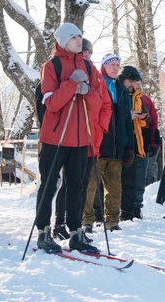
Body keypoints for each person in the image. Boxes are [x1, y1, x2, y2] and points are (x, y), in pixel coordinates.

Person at [36, 22, 111, 253]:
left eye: (80, 36)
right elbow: (51, 103)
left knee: (77, 187)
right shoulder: (52, 66)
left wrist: (87, 91)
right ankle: (43, 231)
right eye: (73, 37)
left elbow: (99, 103)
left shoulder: (89, 67)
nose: (79, 40)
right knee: (49, 185)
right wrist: (71, 84)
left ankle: (76, 232)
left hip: (82, 139)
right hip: (55, 139)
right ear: (62, 41)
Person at [82, 53, 134, 233]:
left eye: (117, 65)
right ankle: (86, 221)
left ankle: (112, 220)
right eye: (111, 64)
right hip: (97, 146)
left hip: (116, 148)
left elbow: (127, 120)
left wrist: (129, 146)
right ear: (104, 66)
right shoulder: (96, 84)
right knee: (90, 187)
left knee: (114, 188)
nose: (115, 68)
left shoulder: (121, 89)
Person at [52, 37, 95, 240]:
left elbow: (101, 104)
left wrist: (99, 131)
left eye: (89, 54)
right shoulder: (59, 68)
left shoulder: (90, 71)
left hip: (86, 136)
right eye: (84, 52)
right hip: (61, 136)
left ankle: (76, 226)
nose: (86, 56)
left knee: (79, 184)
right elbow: (47, 105)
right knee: (65, 184)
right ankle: (59, 222)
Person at [118, 66, 148, 222]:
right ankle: (105, 212)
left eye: (135, 82)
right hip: (116, 139)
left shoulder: (138, 96)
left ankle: (129, 211)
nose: (133, 85)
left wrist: (143, 116)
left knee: (133, 178)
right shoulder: (116, 91)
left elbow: (147, 117)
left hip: (135, 139)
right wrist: (127, 115)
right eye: (131, 81)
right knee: (114, 178)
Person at [134, 80, 160, 219]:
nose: (135, 85)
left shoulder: (146, 100)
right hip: (125, 139)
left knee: (140, 175)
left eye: (137, 82)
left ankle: (137, 206)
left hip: (142, 142)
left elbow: (153, 122)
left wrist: (153, 142)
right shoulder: (121, 96)